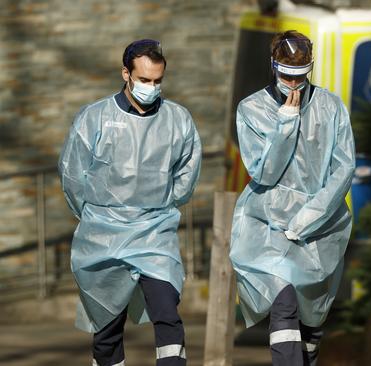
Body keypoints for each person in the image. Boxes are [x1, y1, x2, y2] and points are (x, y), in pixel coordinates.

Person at [58, 39, 202, 366]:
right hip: (103, 237)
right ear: (126, 74)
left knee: (167, 314)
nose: (152, 87)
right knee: (107, 329)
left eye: (158, 81)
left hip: (154, 234)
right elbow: (72, 175)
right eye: (144, 80)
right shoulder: (93, 119)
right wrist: (97, 217)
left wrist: (158, 206)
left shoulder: (178, 120)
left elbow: (187, 175)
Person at [229, 30, 355, 365]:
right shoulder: (252, 109)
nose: (294, 85)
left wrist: (308, 217)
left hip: (322, 226)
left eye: (301, 76)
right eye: (287, 75)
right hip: (269, 224)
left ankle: (309, 352)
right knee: (282, 304)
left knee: (311, 318)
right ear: (273, 67)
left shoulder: (331, 107)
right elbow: (264, 172)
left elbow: (342, 170)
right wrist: (286, 124)